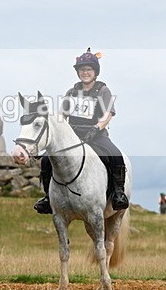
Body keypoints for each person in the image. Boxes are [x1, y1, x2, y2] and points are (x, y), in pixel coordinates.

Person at [34, 48, 130, 214]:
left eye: (89, 69)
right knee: (46, 160)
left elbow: (108, 114)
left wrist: (96, 128)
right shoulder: (71, 92)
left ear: (95, 72)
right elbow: (62, 115)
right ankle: (48, 198)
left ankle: (118, 193)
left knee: (114, 154)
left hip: (95, 134)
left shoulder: (103, 90)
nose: (85, 72)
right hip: (73, 135)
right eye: (82, 69)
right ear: (78, 72)